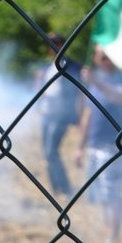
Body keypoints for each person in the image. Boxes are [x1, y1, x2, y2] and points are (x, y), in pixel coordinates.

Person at [80, 46, 122, 243]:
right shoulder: (93, 85)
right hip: (94, 145)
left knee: (112, 193)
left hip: (113, 146)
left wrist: (96, 81)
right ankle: (107, 231)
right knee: (101, 193)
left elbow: (118, 97)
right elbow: (87, 115)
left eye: (108, 56)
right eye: (101, 56)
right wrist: (79, 147)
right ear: (94, 58)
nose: (105, 60)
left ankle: (113, 235)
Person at [36, 32, 83, 196]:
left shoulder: (73, 66)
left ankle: (65, 187)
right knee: (47, 152)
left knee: (51, 150)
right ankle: (56, 188)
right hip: (47, 114)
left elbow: (79, 93)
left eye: (57, 42)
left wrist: (78, 114)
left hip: (61, 115)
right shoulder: (46, 68)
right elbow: (40, 91)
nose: (53, 46)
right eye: (50, 43)